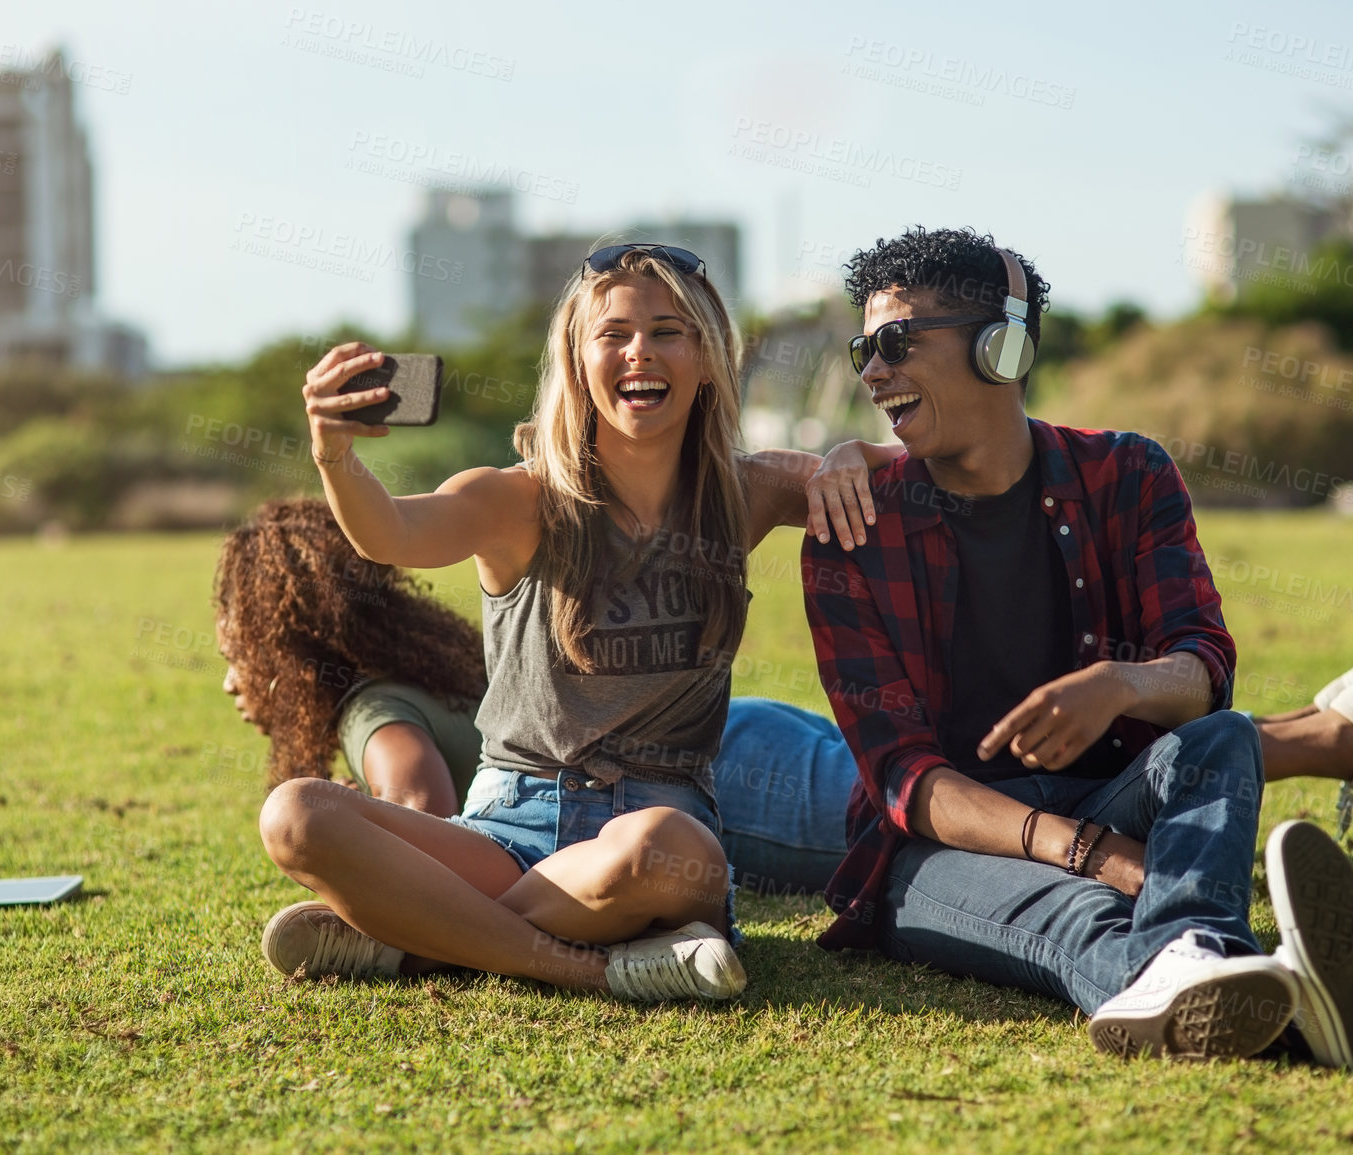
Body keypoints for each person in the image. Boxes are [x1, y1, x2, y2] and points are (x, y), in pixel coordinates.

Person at [798, 226, 1353, 1066]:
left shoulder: (1127, 474)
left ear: (999, 348)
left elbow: (1204, 674)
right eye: (866, 347)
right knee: (1081, 915)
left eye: (896, 342)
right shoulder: (853, 530)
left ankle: (1208, 971)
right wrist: (1085, 851)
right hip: (941, 848)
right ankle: (1250, 985)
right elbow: (905, 780)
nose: (871, 371)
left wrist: (1118, 682)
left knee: (1222, 740)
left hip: (1110, 791)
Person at [251, 244, 894, 1003]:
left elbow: (914, 474)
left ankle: (424, 935)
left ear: (710, 359)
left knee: (666, 848)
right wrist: (334, 457)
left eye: (668, 331)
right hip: (505, 828)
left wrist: (852, 453)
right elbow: (389, 533)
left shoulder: (744, 493)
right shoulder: (517, 500)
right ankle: (587, 965)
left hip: (652, 836)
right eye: (613, 333)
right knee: (297, 812)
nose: (639, 353)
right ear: (576, 357)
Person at [211, 496, 854, 896]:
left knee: (909, 826)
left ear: (288, 653)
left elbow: (422, 808)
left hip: (719, 787)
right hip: (728, 736)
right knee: (920, 783)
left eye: (238, 659)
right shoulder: (432, 669)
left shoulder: (370, 712)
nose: (230, 683)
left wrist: (360, 842)